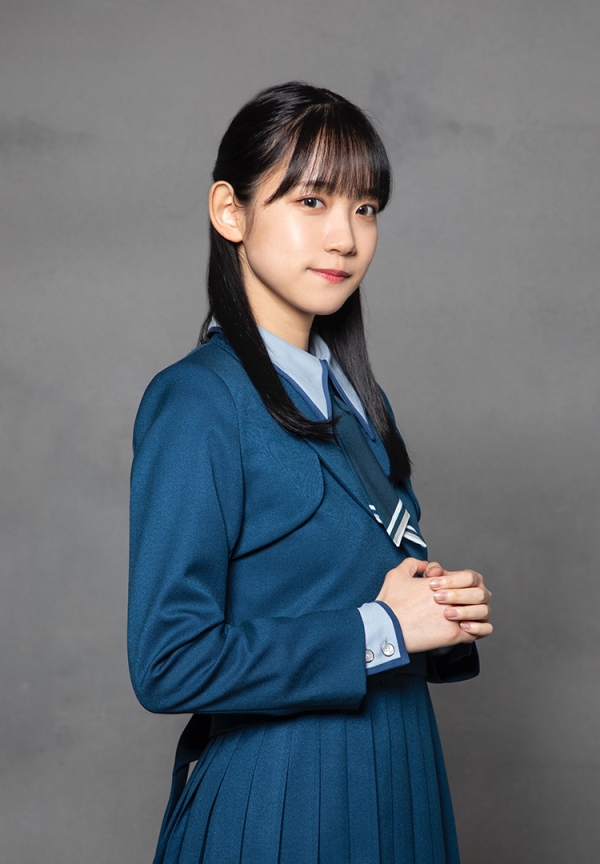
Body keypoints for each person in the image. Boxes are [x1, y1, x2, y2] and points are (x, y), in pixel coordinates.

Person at [128, 81, 493, 864]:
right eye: (312, 201)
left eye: (365, 208)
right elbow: (168, 662)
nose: (346, 238)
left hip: (402, 777)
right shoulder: (198, 401)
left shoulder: (357, 398)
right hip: (286, 799)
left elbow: (355, 585)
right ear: (230, 212)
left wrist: (438, 613)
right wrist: (384, 628)